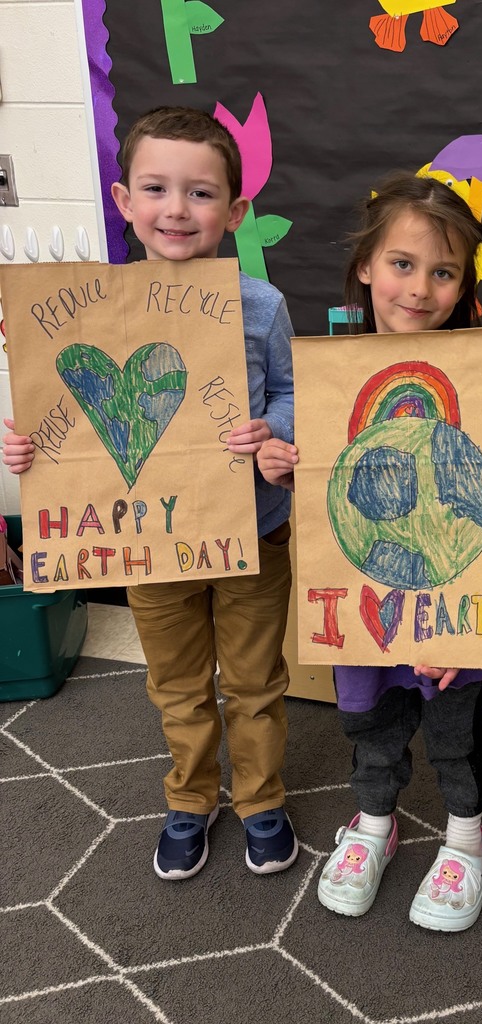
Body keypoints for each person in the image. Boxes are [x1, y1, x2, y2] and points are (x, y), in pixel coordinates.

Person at [3, 106, 300, 881]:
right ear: (123, 200)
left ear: (234, 211)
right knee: (174, 680)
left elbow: (296, 391)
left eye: (201, 194)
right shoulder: (87, 305)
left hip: (252, 531)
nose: (177, 209)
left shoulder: (260, 306)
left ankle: (260, 799)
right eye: (156, 189)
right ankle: (191, 797)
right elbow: (62, 415)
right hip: (147, 538)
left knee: (254, 678)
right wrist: (27, 447)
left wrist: (271, 432)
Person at [256, 172, 482, 932]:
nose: (420, 288)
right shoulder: (328, 379)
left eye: (444, 271)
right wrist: (282, 462)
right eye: (402, 263)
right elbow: (321, 490)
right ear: (365, 266)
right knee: (369, 721)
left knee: (457, 728)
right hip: (363, 602)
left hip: (454, 602)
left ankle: (466, 839)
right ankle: (373, 824)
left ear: (463, 284)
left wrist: (463, 618)